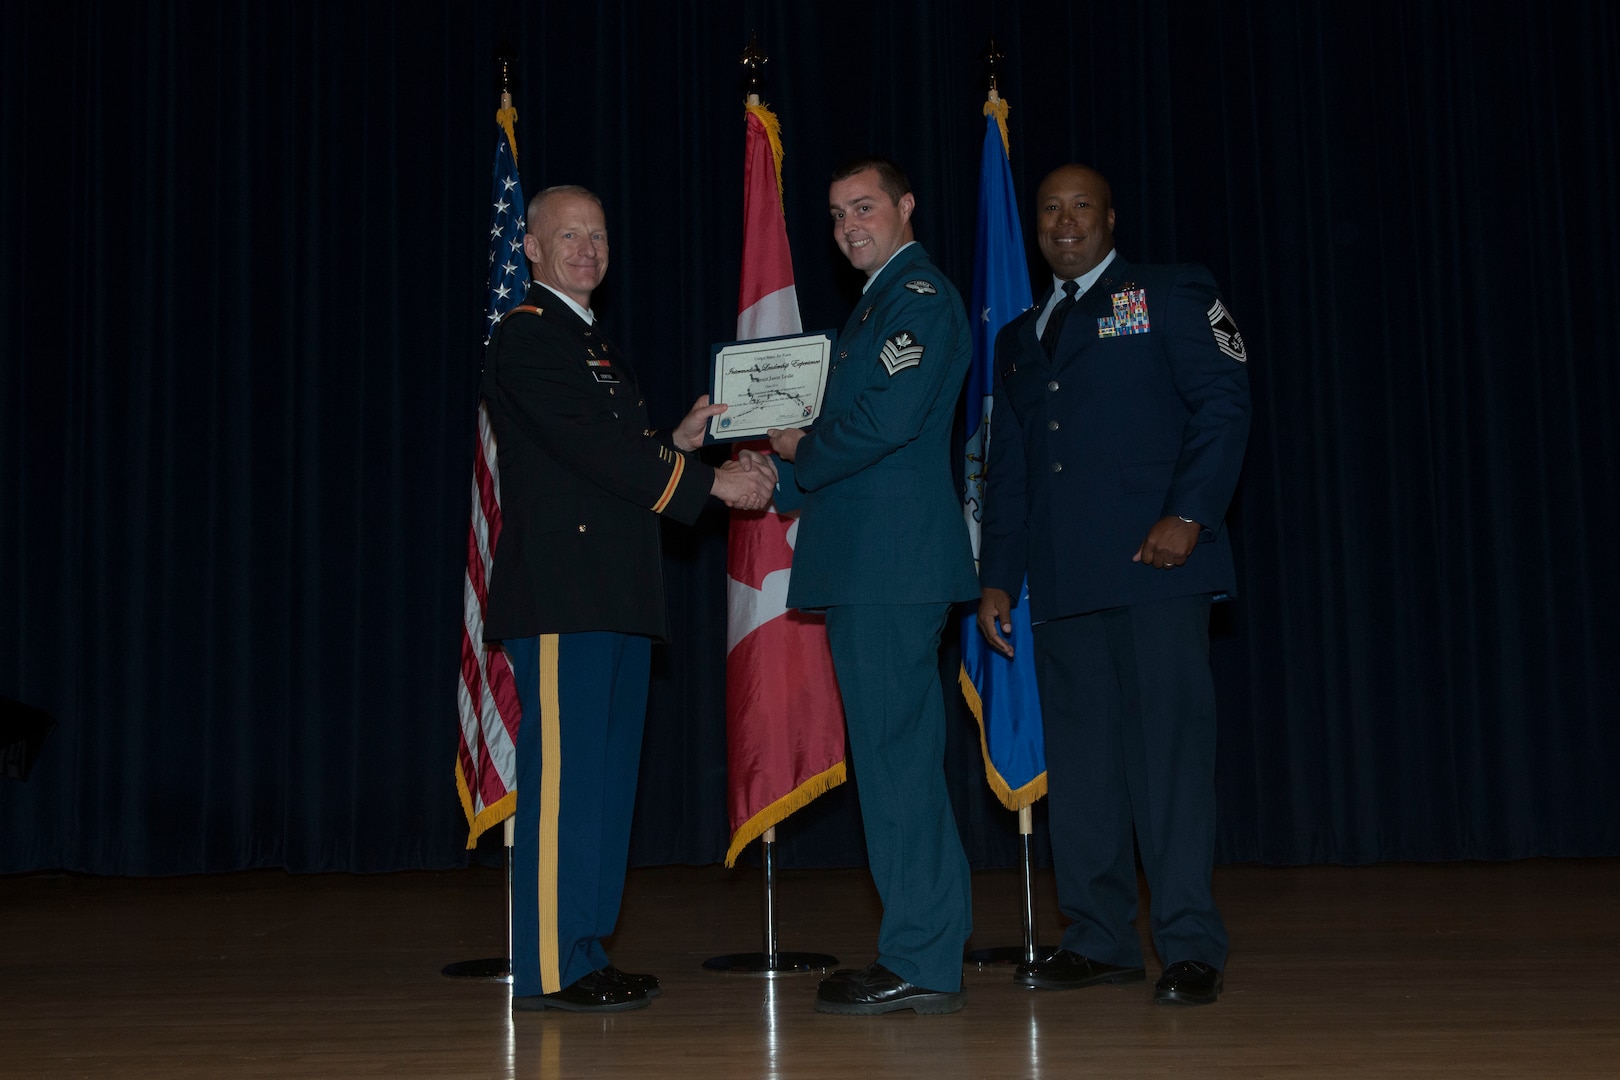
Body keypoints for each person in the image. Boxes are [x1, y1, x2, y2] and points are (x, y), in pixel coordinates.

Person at [482, 184, 775, 1013]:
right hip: (564, 597)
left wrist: (673, 444)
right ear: (531, 249)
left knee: (604, 789)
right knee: (562, 789)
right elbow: (594, 454)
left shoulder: (591, 345)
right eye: (567, 235)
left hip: (614, 592)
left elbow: (610, 456)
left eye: (598, 235)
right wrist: (709, 480)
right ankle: (547, 966)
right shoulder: (529, 337)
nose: (586, 248)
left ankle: (582, 950)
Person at [976, 164, 1251, 1007]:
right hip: (1063, 584)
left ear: (1109, 217)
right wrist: (997, 578)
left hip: (1156, 568)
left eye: (1080, 207)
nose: (1064, 223)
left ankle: (1189, 944)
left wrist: (1190, 515)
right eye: (1050, 209)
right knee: (1085, 771)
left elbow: (1224, 402)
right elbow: (1014, 469)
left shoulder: (1168, 291)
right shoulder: (1020, 335)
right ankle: (1097, 938)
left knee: (1168, 765)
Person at [767, 158, 979, 1016]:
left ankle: (923, 958)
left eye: (864, 207)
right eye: (835, 214)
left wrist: (796, 453)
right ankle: (922, 947)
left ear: (905, 205)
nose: (848, 225)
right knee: (894, 764)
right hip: (870, 565)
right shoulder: (873, 306)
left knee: (897, 766)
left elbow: (884, 422)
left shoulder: (916, 297)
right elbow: (850, 435)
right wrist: (775, 473)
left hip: (891, 568)